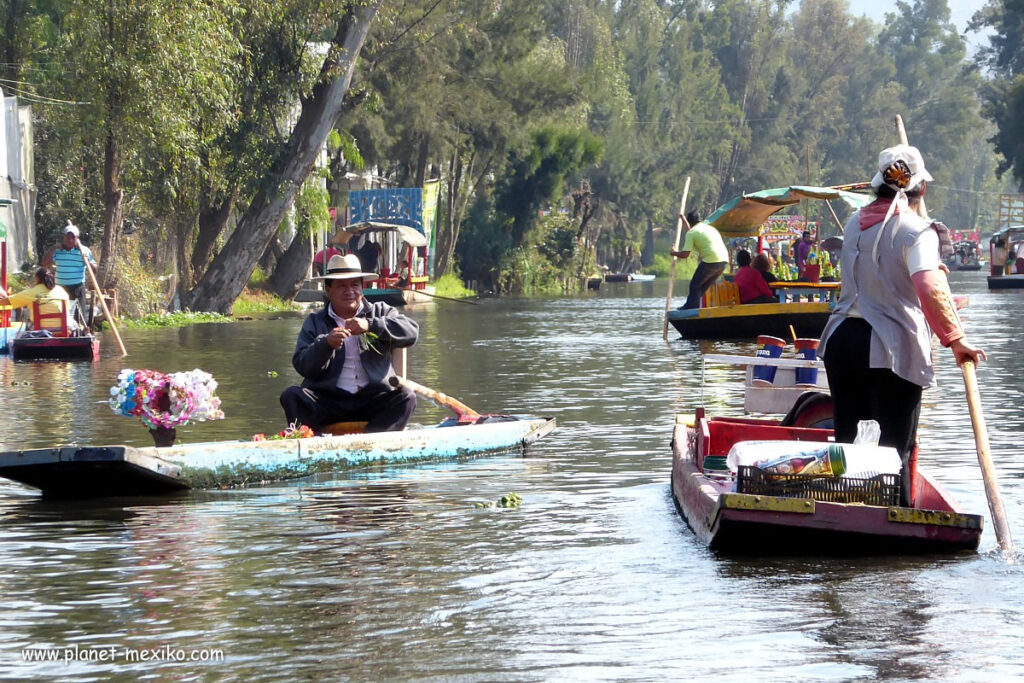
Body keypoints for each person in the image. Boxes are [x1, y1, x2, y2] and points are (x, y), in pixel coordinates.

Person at [819, 144, 986, 506]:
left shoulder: (854, 223)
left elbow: (883, 274)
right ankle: (894, 522)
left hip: (842, 340)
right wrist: (955, 339)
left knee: (850, 442)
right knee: (896, 448)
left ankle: (846, 514)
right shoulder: (916, 230)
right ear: (921, 189)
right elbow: (926, 286)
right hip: (886, 345)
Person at [279, 253, 418, 434]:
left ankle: (373, 441)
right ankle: (313, 444)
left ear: (362, 288)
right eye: (342, 285)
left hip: (373, 399)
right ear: (328, 290)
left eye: (355, 285)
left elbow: (411, 331)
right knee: (292, 396)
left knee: (407, 397)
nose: (350, 291)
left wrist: (371, 325)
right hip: (329, 401)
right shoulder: (315, 321)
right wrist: (326, 344)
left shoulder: (381, 311)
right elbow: (302, 365)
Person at [43, 221, 97, 330]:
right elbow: (45, 263)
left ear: (77, 239)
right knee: (61, 315)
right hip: (60, 288)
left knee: (79, 316)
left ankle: (81, 334)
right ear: (64, 238)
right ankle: (62, 334)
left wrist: (87, 260)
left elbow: (94, 270)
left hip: (77, 287)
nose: (70, 240)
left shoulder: (84, 251)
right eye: (68, 237)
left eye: (73, 238)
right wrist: (53, 248)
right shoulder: (58, 250)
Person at [671, 210, 729, 309]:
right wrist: (684, 220)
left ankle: (691, 307)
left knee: (695, 285)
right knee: (701, 288)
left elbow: (685, 254)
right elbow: (691, 231)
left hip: (711, 261)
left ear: (690, 223)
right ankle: (695, 308)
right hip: (723, 261)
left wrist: (673, 252)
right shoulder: (709, 228)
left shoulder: (692, 233)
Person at [0, 267, 73, 333]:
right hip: (66, 329)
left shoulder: (32, 292)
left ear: (37, 278)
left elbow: (7, 302)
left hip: (41, 331)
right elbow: (67, 309)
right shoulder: (60, 290)